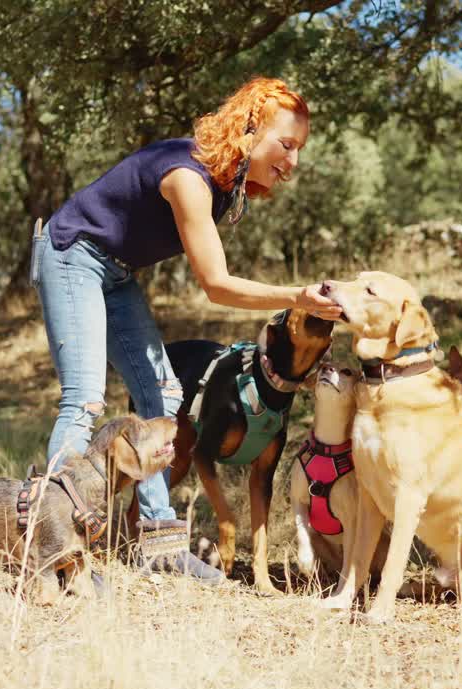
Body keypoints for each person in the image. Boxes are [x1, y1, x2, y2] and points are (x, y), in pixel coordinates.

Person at [32, 76, 343, 583]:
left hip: (114, 272)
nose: (293, 161)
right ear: (248, 131)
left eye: (299, 149)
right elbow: (216, 286)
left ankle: (158, 544)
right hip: (72, 257)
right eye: (286, 144)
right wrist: (296, 296)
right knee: (84, 401)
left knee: (163, 391)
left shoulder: (223, 185)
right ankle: (55, 549)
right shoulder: (188, 177)